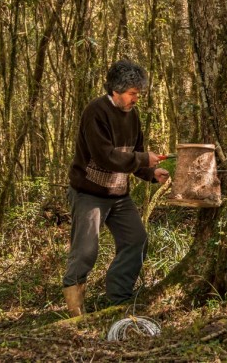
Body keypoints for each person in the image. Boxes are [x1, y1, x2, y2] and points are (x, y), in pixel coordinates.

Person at [62, 60, 169, 316]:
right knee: (86, 250)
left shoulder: (133, 116)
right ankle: (75, 311)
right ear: (116, 91)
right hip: (89, 194)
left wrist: (151, 173)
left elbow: (134, 156)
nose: (135, 99)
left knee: (136, 241)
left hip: (119, 195)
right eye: (132, 94)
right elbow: (105, 157)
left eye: (138, 94)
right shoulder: (95, 112)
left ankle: (118, 298)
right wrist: (144, 159)